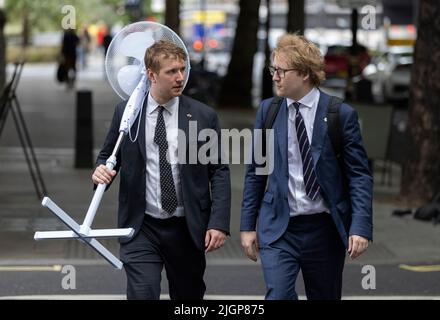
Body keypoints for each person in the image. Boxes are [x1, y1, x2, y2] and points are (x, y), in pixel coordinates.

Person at [92, 40, 231, 299]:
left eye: (182, 69)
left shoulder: (202, 116)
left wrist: (219, 223)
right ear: (151, 75)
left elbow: (218, 171)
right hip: (141, 225)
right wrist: (101, 172)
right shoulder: (127, 113)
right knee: (142, 294)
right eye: (171, 72)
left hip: (186, 228)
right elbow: (108, 156)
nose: (180, 77)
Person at [240, 33, 373, 300]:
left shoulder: (340, 114)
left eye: (280, 71)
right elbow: (256, 171)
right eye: (273, 70)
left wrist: (360, 226)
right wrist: (247, 226)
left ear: (303, 73)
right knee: (277, 295)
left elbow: (359, 175)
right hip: (279, 228)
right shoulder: (269, 111)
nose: (274, 76)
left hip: (324, 230)